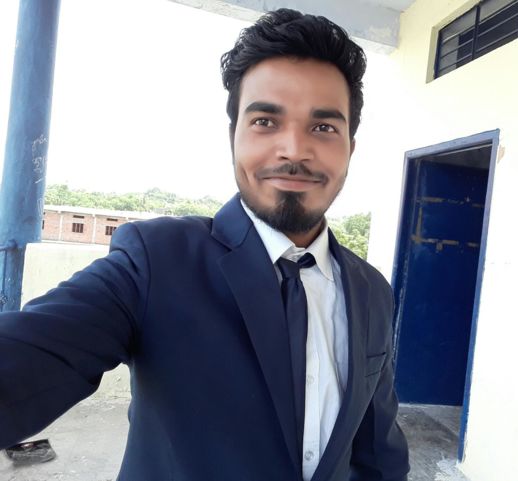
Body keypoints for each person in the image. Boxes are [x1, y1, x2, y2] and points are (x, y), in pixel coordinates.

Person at [0, 8, 410, 481]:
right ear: (233, 136)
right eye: (265, 121)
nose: (294, 150)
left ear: (350, 147)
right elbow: (28, 358)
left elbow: (378, 453)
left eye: (323, 127)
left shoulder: (372, 291)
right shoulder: (155, 262)